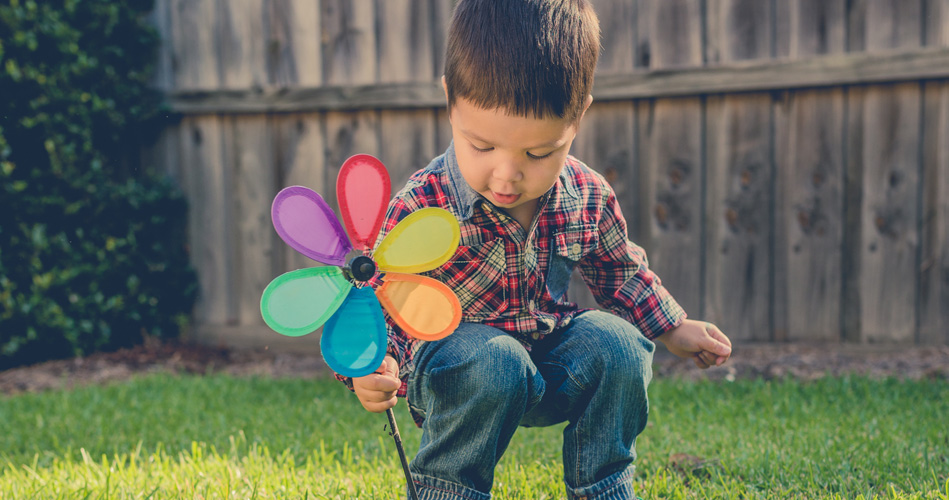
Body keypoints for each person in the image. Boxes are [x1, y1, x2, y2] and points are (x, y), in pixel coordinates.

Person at [345, 1, 732, 498]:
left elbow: (620, 273)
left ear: (578, 118)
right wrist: (375, 368)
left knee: (618, 343)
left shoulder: (586, 195)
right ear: (449, 101)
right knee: (496, 361)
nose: (506, 175)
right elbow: (379, 300)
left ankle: (603, 487)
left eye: (538, 153)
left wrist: (675, 328)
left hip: (547, 360)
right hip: (457, 369)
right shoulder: (423, 207)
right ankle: (448, 490)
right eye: (481, 146)